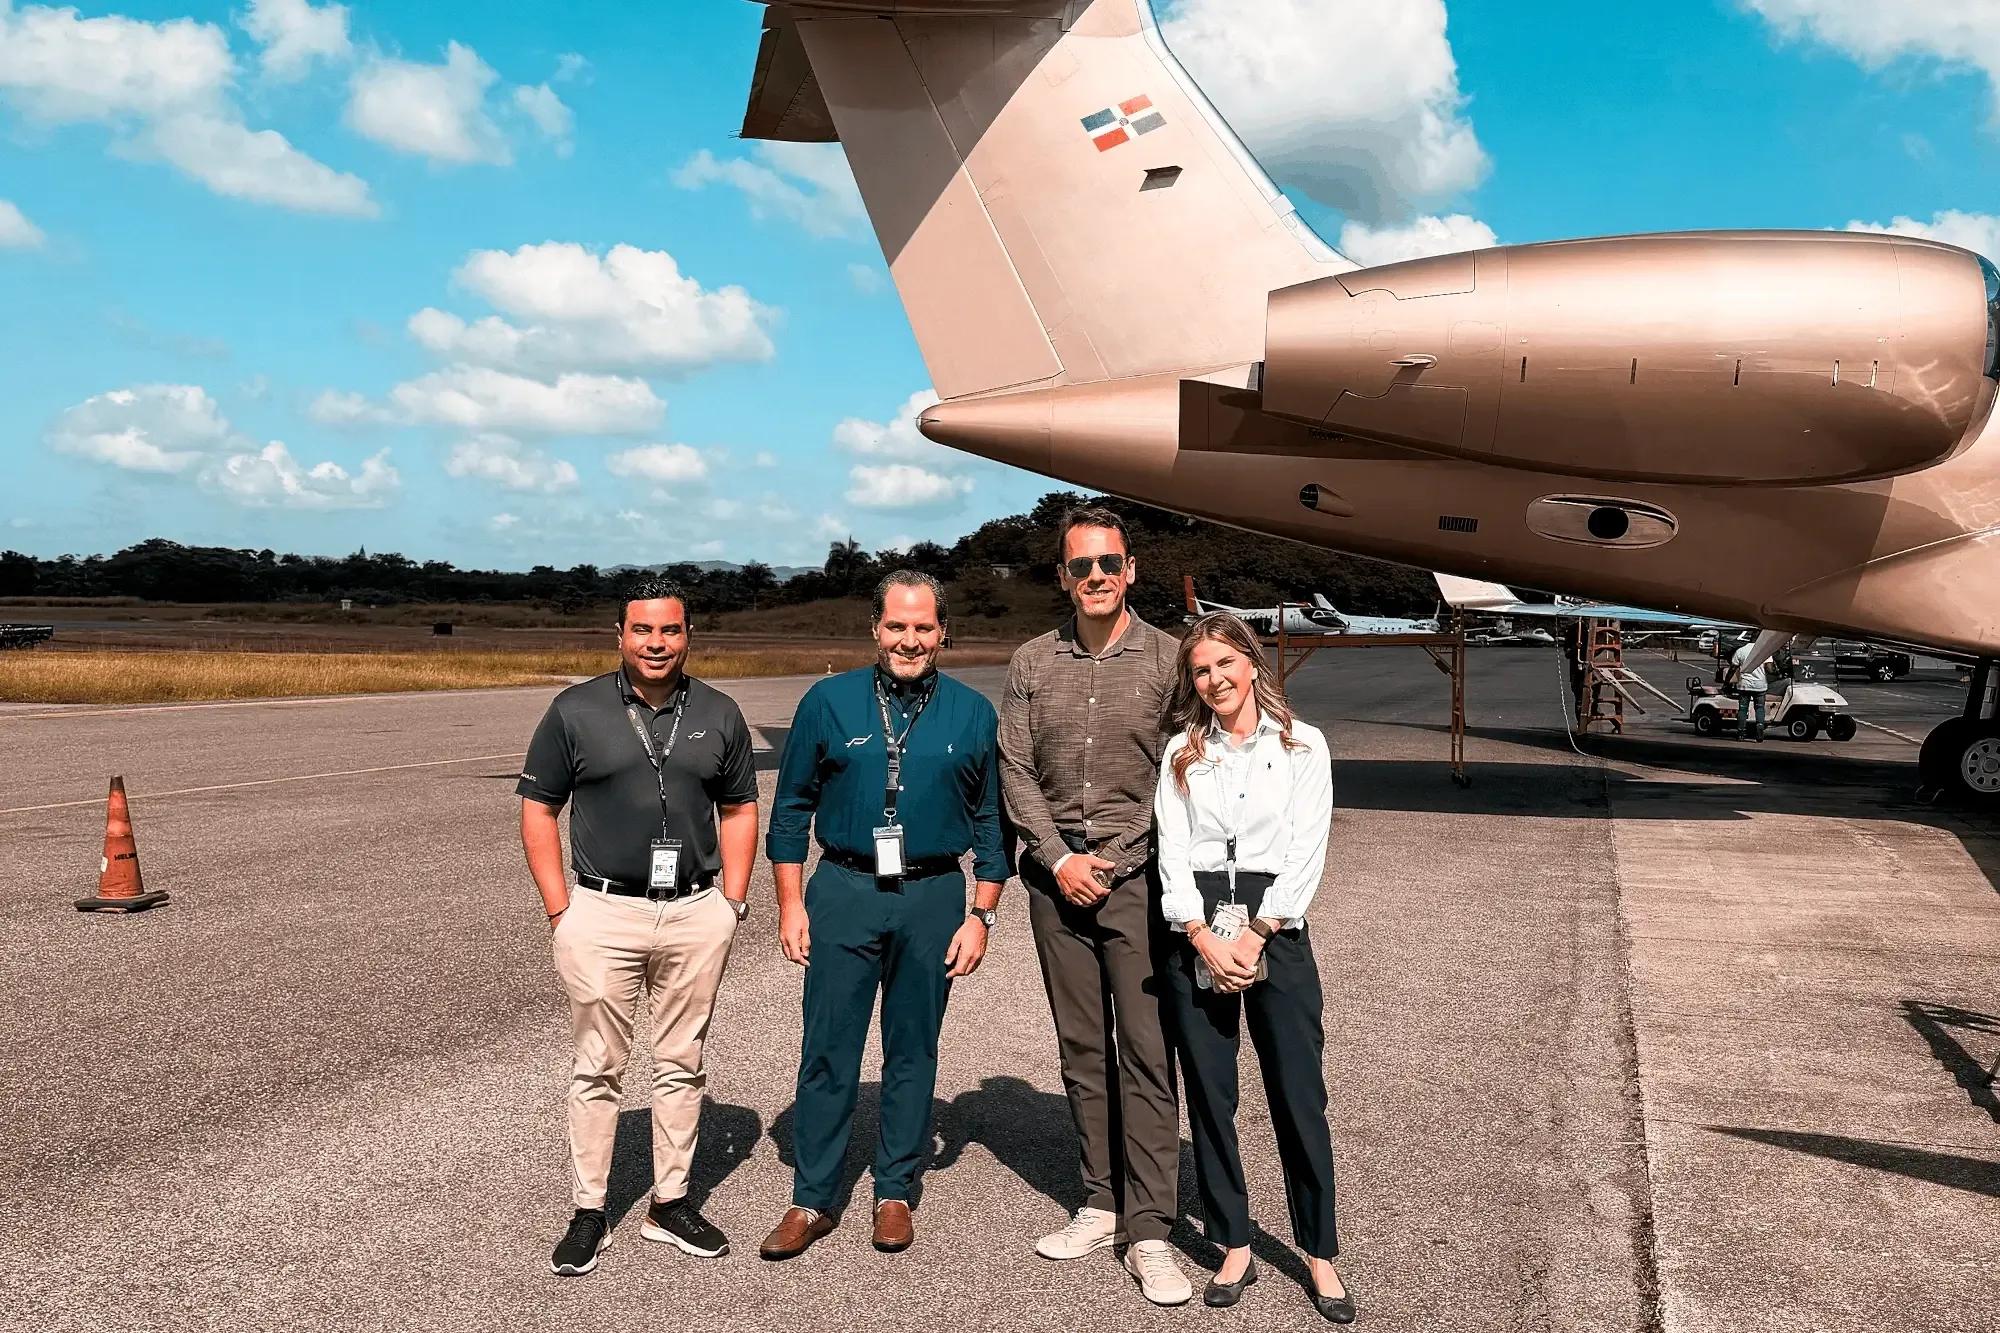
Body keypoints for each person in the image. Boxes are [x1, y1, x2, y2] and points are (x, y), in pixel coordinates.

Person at [760, 571, 1008, 1259]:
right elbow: (791, 811)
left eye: (923, 626)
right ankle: (812, 1197)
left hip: (933, 897)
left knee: (913, 1046)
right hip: (843, 887)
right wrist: (789, 903)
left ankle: (894, 1189)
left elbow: (993, 825)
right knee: (828, 1046)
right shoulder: (828, 701)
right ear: (875, 627)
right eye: (897, 625)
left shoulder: (971, 713)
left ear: (943, 631)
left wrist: (981, 913)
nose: (910, 639)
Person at [518, 578, 760, 1276]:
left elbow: (740, 807)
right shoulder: (575, 710)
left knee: (682, 1060)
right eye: (644, 631)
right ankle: (590, 1209)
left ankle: (670, 1200)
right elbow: (539, 811)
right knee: (598, 1065)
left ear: (689, 635)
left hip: (693, 910)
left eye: (672, 631)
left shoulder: (719, 711)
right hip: (601, 910)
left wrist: (732, 904)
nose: (658, 643)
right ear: (619, 635)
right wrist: (560, 910)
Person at [997, 506, 1188, 1305]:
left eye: (1109, 562)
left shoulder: (1170, 660)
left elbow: (1185, 770)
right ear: (1062, 576)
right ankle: (1100, 1197)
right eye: (1081, 566)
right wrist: (1059, 858)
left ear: (1131, 569)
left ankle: (1150, 1227)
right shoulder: (1032, 662)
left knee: (1145, 1049)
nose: (1097, 576)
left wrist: (1109, 860)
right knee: (1082, 1047)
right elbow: (1015, 769)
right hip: (1055, 880)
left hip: (1138, 877)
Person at [1154, 612, 1354, 1324]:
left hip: (1277, 922)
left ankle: (1318, 1248)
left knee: (1299, 1093)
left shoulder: (1303, 746)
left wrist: (1261, 930)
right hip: (1201, 925)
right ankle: (1231, 1239)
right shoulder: (1182, 750)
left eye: (1224, 664)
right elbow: (1172, 851)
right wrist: (1202, 935)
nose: (1214, 680)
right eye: (1201, 671)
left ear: (1250, 660)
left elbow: (1308, 847)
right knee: (1211, 1094)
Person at [1729, 640, 1768, 741]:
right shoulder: (1764, 651)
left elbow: (1733, 666)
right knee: (1759, 708)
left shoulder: (1741, 651)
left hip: (1744, 685)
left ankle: (1741, 733)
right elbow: (1770, 668)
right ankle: (1759, 729)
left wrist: (1727, 682)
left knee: (1743, 709)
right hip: (1760, 685)